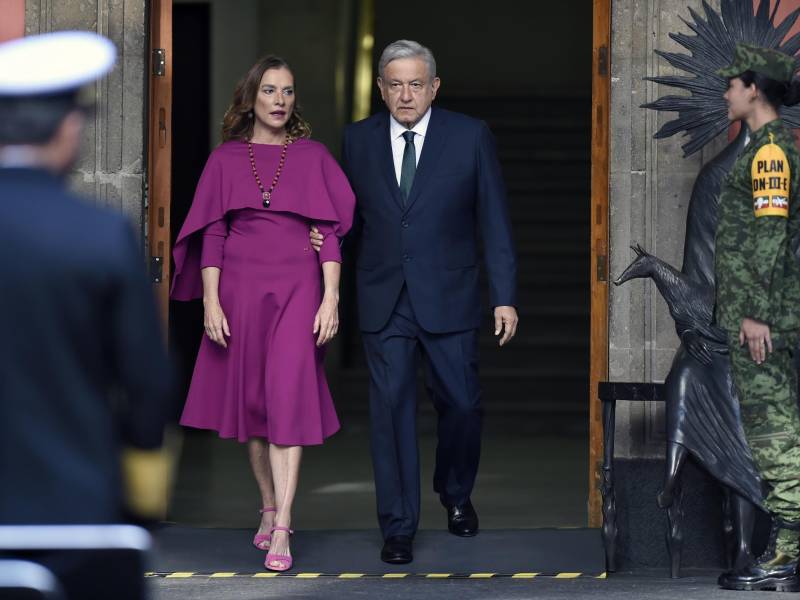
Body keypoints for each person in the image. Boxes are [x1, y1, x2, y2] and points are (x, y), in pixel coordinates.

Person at [312, 39, 518, 564]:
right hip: (384, 298)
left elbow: (492, 220)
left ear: (434, 87)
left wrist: (505, 297)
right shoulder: (357, 140)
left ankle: (455, 492)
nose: (406, 94)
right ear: (381, 89)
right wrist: (327, 240)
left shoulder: (469, 136)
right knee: (390, 413)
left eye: (416, 84)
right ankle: (398, 526)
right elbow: (351, 218)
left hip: (450, 294)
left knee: (463, 405)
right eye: (395, 84)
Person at [171, 55, 355, 572]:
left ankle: (282, 526)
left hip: (298, 290)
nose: (280, 101)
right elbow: (212, 233)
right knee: (254, 406)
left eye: (288, 91)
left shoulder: (314, 156)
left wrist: (331, 297)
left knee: (288, 400)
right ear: (251, 97)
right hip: (240, 292)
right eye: (270, 91)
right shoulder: (226, 159)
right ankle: (267, 502)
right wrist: (209, 301)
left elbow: (331, 233)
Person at [0, 31, 173, 527]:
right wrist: (141, 502)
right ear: (68, 128)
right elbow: (147, 380)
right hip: (73, 506)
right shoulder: (99, 234)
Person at [714, 43, 800, 592]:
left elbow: (769, 239)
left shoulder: (769, 153)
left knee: (776, 429)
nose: (724, 93)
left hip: (762, 321)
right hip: (756, 315)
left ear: (753, 89)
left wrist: (755, 315)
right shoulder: (763, 148)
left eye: (731, 85)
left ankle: (788, 549)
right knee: (773, 425)